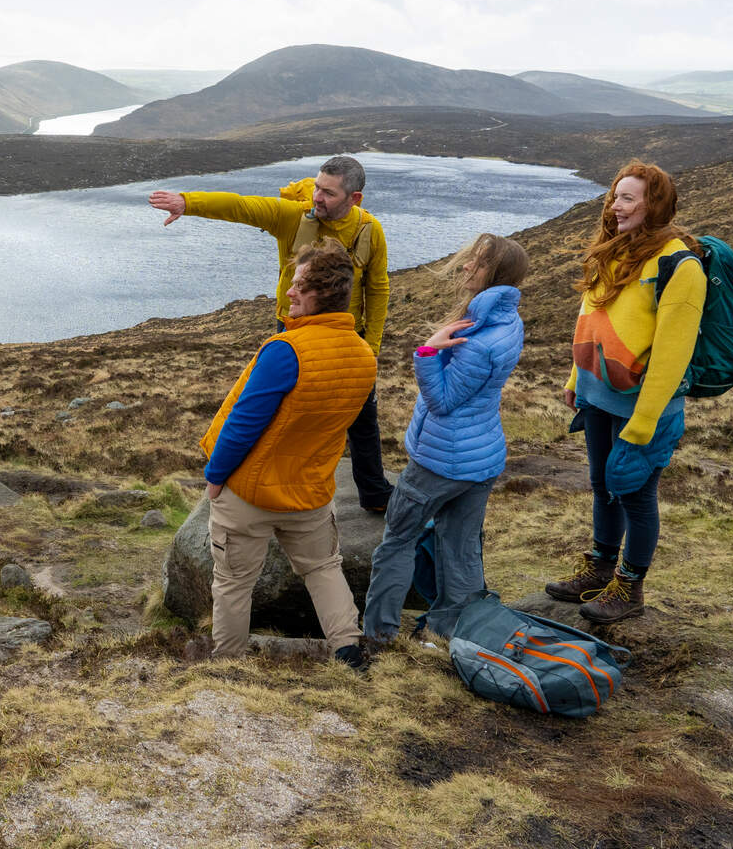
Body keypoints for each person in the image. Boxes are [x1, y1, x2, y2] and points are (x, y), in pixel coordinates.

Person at [151, 154, 394, 511]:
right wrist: (187, 203)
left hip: (348, 337)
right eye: (315, 187)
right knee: (272, 412)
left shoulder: (370, 231)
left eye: (327, 193)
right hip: (293, 332)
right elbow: (242, 207)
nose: (316, 198)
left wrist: (371, 345)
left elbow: (378, 288)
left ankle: (374, 493)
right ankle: (255, 481)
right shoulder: (293, 218)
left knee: (362, 418)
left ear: (354, 199)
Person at [200, 240, 378, 668]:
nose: (290, 293)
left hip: (249, 492)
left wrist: (216, 476)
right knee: (323, 568)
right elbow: (360, 428)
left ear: (322, 293)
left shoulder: (286, 350)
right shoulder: (363, 353)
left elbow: (245, 422)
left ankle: (227, 665)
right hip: (310, 493)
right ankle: (348, 649)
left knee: (234, 582)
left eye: (299, 285)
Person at [544, 161, 705, 623]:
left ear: (653, 204)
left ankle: (629, 587)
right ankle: (598, 568)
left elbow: (674, 357)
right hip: (598, 396)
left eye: (628, 198)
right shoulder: (612, 251)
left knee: (634, 493)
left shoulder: (679, 265)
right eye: (615, 196)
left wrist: (644, 422)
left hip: (642, 408)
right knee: (602, 487)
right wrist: (577, 380)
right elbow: (590, 318)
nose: (616, 205)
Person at [361, 233, 528, 646]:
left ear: (496, 274)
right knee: (461, 546)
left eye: (478, 262)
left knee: (397, 540)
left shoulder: (476, 339)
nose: (467, 267)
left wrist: (427, 353)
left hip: (441, 459)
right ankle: (449, 631)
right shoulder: (507, 321)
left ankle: (378, 635)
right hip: (481, 457)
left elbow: (443, 401)